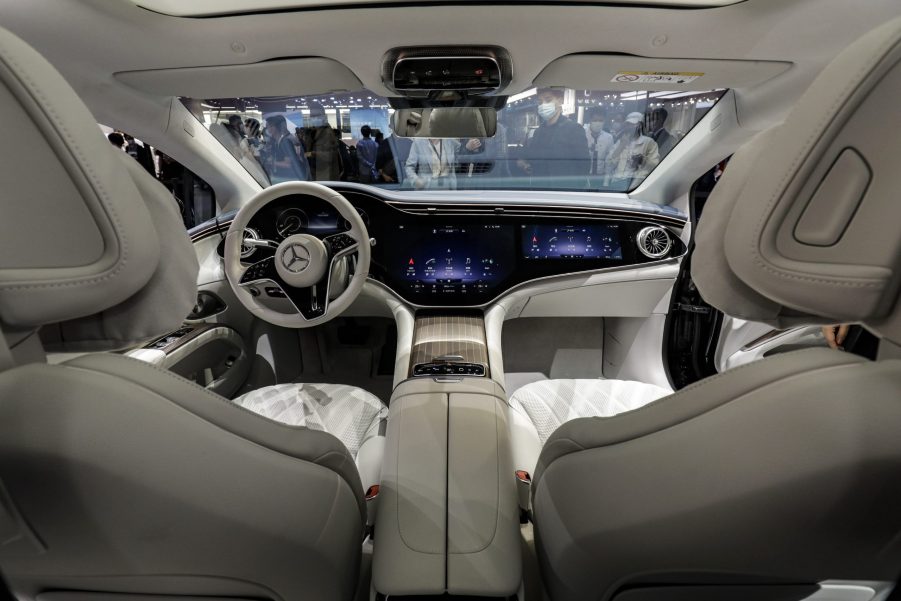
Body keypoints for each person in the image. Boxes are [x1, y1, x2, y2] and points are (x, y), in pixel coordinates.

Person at [516, 87, 590, 186]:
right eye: (540, 102)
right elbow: (532, 157)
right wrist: (524, 163)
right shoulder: (538, 132)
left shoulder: (574, 129)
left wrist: (575, 190)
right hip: (540, 188)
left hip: (565, 190)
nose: (543, 105)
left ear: (559, 101)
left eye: (548, 100)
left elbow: (584, 165)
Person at [607, 111, 660, 189]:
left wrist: (643, 159)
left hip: (637, 184)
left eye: (633, 124)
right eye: (628, 124)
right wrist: (621, 146)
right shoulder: (621, 141)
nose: (630, 126)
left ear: (640, 125)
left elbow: (655, 165)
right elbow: (609, 163)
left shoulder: (648, 142)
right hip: (617, 182)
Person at [264, 114, 310, 182]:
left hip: (289, 178)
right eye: (267, 127)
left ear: (276, 127)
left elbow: (288, 164)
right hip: (287, 177)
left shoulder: (285, 142)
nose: (268, 129)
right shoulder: (278, 142)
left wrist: (272, 162)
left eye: (270, 126)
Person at [584, 106, 614, 185]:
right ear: (590, 120)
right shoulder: (583, 135)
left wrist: (606, 182)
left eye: (600, 120)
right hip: (584, 174)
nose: (598, 123)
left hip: (600, 176)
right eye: (595, 120)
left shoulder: (608, 138)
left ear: (604, 121)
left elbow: (609, 161)